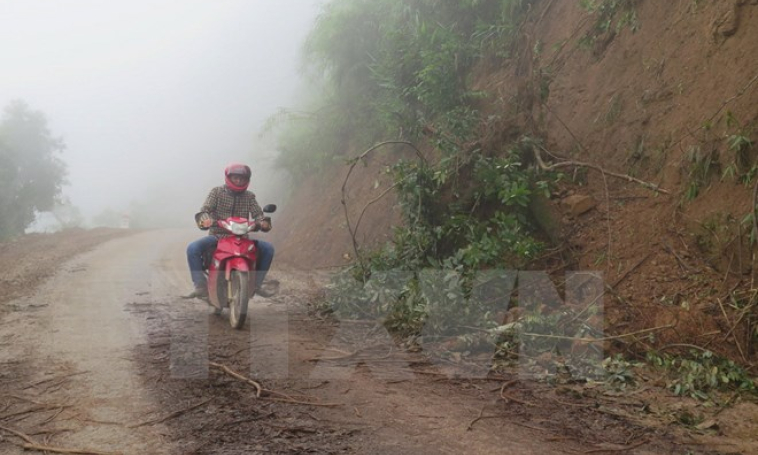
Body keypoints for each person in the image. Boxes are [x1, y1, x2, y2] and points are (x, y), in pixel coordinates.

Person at [186, 163, 275, 298]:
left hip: (242, 238)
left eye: (242, 178)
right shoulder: (216, 192)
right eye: (235, 178)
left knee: (268, 248)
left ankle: (257, 284)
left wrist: (262, 222)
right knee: (193, 248)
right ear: (229, 178)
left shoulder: (249, 196)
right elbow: (205, 209)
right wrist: (205, 218)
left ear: (247, 180)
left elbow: (258, 214)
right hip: (218, 236)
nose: (239, 181)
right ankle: (200, 285)